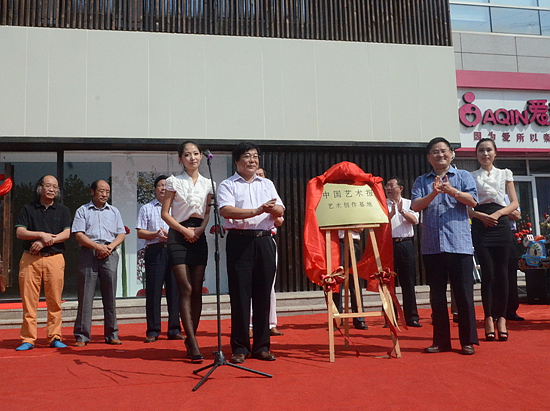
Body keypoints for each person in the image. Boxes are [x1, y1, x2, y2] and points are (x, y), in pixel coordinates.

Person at [411, 137, 479, 355]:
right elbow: (415, 206)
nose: (440, 155)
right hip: (432, 246)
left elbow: (473, 201)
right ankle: (441, 341)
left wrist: (453, 192)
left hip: (459, 244)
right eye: (435, 152)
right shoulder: (421, 181)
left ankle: (467, 341)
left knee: (464, 295)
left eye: (443, 151)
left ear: (452, 154)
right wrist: (434, 193)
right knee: (437, 297)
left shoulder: (463, 176)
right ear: (428, 158)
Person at [218, 142, 284, 364]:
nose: (252, 160)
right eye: (247, 156)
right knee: (240, 295)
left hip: (265, 240)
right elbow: (226, 210)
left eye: (255, 156)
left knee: (264, 295)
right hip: (240, 241)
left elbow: (280, 209)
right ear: (237, 161)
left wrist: (272, 209)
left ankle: (262, 346)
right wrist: (257, 210)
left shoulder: (267, 184)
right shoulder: (228, 185)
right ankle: (240, 347)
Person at [161, 141, 213, 363]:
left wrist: (200, 230)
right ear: (180, 159)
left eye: (196, 154)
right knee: (186, 288)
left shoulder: (209, 183)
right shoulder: (174, 181)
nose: (192, 158)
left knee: (197, 290)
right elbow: (165, 213)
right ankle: (191, 341)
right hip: (178, 235)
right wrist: (184, 231)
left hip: (199, 235)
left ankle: (192, 337)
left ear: (201, 156)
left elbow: (208, 212)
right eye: (187, 155)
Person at [469, 138, 518, 341]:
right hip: (481, 225)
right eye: (481, 150)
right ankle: (488, 317)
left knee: (502, 273)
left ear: (495, 153)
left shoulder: (505, 173)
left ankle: (502, 318)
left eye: (489, 150)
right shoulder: (471, 176)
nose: (485, 154)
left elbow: (514, 203)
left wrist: (498, 214)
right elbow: (468, 207)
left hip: (501, 224)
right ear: (476, 154)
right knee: (487, 273)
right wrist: (480, 216)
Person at [14, 175, 72, 351]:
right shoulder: (28, 208)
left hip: (54, 258)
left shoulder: (63, 210)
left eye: (55, 187)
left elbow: (66, 234)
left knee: (55, 301)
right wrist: (40, 234)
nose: (52, 189)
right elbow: (20, 232)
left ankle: (54, 336)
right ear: (40, 187)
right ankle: (28, 339)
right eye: (48, 185)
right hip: (30, 259)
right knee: (29, 301)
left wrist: (45, 242)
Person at [72, 180, 126, 346]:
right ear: (92, 192)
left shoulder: (114, 211)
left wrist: (109, 247)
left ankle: (112, 334)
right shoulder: (82, 210)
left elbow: (121, 234)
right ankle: (82, 336)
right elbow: (79, 234)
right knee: (86, 296)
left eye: (107, 191)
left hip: (109, 254)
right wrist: (97, 247)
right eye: (101, 191)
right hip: (89, 253)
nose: (104, 194)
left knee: (110, 297)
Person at [136, 175, 184, 343]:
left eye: (166, 185)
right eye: (161, 185)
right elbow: (140, 232)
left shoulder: (178, 208)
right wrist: (155, 234)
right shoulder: (146, 208)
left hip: (173, 250)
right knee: (153, 292)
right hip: (155, 251)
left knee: (175, 292)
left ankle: (174, 329)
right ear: (155, 189)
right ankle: (153, 330)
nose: (164, 188)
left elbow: (183, 229)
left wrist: (173, 236)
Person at [249, 167, 284, 337]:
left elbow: (279, 220)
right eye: (256, 174)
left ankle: (271, 323)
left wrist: (269, 209)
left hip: (266, 239)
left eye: (261, 174)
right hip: (247, 239)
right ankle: (249, 324)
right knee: (248, 285)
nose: (259, 176)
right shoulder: (248, 194)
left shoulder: (269, 191)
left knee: (268, 285)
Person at [385, 176, 421, 328]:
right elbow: (380, 224)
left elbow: (415, 220)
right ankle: (390, 317)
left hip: (406, 244)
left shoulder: (409, 203)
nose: (388, 188)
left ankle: (411, 317)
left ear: (400, 188)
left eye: (391, 185)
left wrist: (402, 212)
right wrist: (392, 213)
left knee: (408, 281)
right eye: (387, 186)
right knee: (388, 282)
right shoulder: (382, 203)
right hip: (388, 244)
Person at [333, 229, 368, 330]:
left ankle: (359, 319)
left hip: (353, 242)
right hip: (337, 242)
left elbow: (360, 228)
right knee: (336, 280)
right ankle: (337, 318)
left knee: (355, 281)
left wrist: (346, 224)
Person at [505, 199, 524, 322]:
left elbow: (516, 215)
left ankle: (511, 309)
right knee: (492, 274)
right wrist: (507, 210)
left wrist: (499, 210)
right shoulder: (483, 193)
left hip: (509, 234)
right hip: (490, 233)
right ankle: (495, 311)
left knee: (511, 274)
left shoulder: (508, 197)